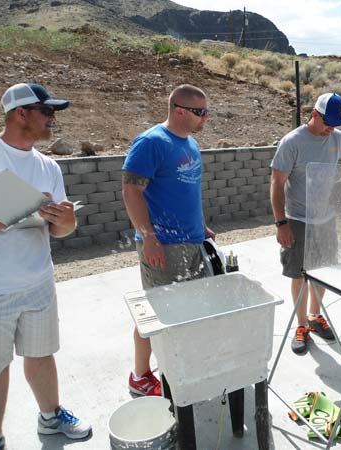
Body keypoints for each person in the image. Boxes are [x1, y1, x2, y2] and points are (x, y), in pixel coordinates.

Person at [0, 83, 92, 450]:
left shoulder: (48, 166)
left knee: (42, 356)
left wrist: (65, 219)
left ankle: (51, 416)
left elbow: (61, 232)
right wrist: (20, 203)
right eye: (46, 112)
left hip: (38, 282)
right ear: (20, 114)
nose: (53, 119)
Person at [122, 84, 215, 396]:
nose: (206, 117)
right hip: (163, 245)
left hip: (192, 243)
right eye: (200, 112)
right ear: (179, 110)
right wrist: (149, 238)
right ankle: (141, 376)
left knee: (187, 309)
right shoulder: (151, 142)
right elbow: (131, 190)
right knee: (157, 312)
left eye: (206, 111)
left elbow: (189, 191)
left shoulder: (191, 144)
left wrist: (202, 226)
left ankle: (175, 366)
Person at [270, 92, 341, 354]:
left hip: (326, 219)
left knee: (323, 272)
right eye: (328, 122)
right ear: (314, 115)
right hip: (297, 219)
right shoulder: (293, 142)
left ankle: (315, 316)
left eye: (336, 123)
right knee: (298, 274)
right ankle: (301, 326)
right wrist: (281, 223)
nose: (331, 128)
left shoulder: (337, 138)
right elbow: (276, 183)